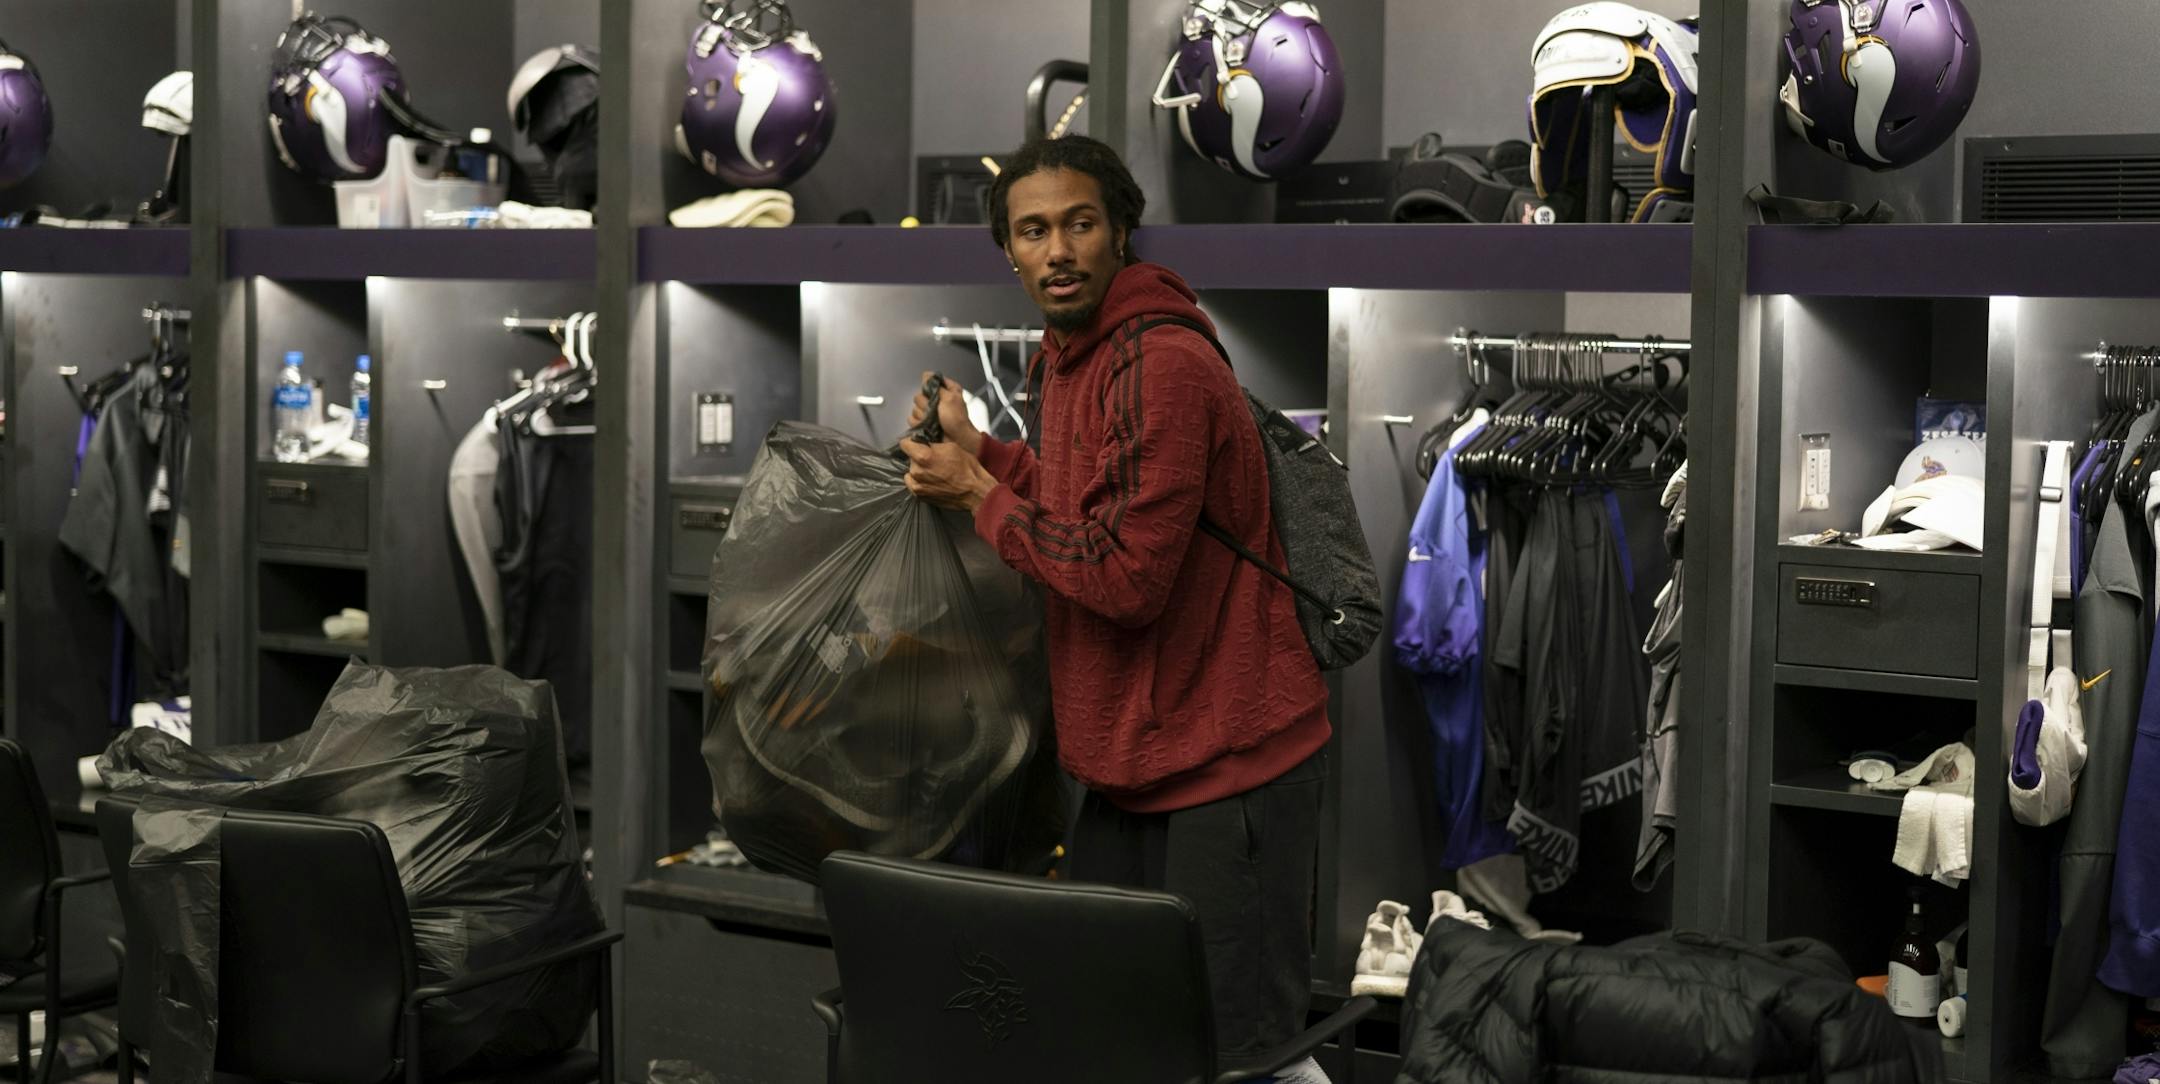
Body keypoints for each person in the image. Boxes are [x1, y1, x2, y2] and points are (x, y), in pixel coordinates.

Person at [900, 135, 1333, 1082]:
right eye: (1033, 230)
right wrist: (992, 458)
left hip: (1228, 773)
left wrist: (978, 494)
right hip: (1132, 770)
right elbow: (1086, 496)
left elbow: (1125, 574)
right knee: (1122, 1041)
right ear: (1008, 251)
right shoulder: (1070, 356)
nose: (1057, 249)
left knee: (1238, 1056)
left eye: (1080, 223)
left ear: (1121, 231)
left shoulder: (1163, 362)